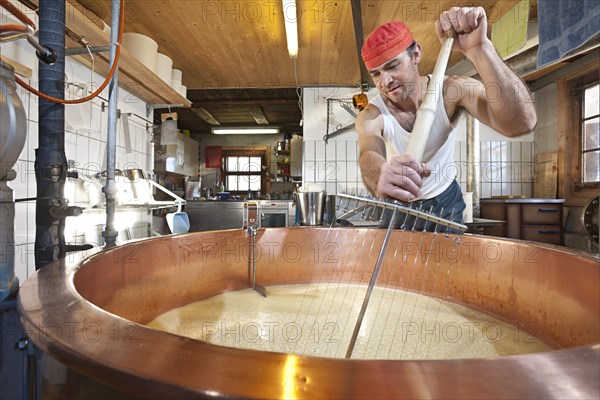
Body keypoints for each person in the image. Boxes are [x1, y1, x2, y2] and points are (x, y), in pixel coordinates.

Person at [356, 6, 537, 230]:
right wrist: (379, 175)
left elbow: (522, 122)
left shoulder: (450, 91)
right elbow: (369, 152)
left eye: (392, 66)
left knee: (450, 265)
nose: (385, 81)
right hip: (399, 206)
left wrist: (480, 49)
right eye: (376, 74)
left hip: (445, 202)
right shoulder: (372, 114)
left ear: (416, 55)